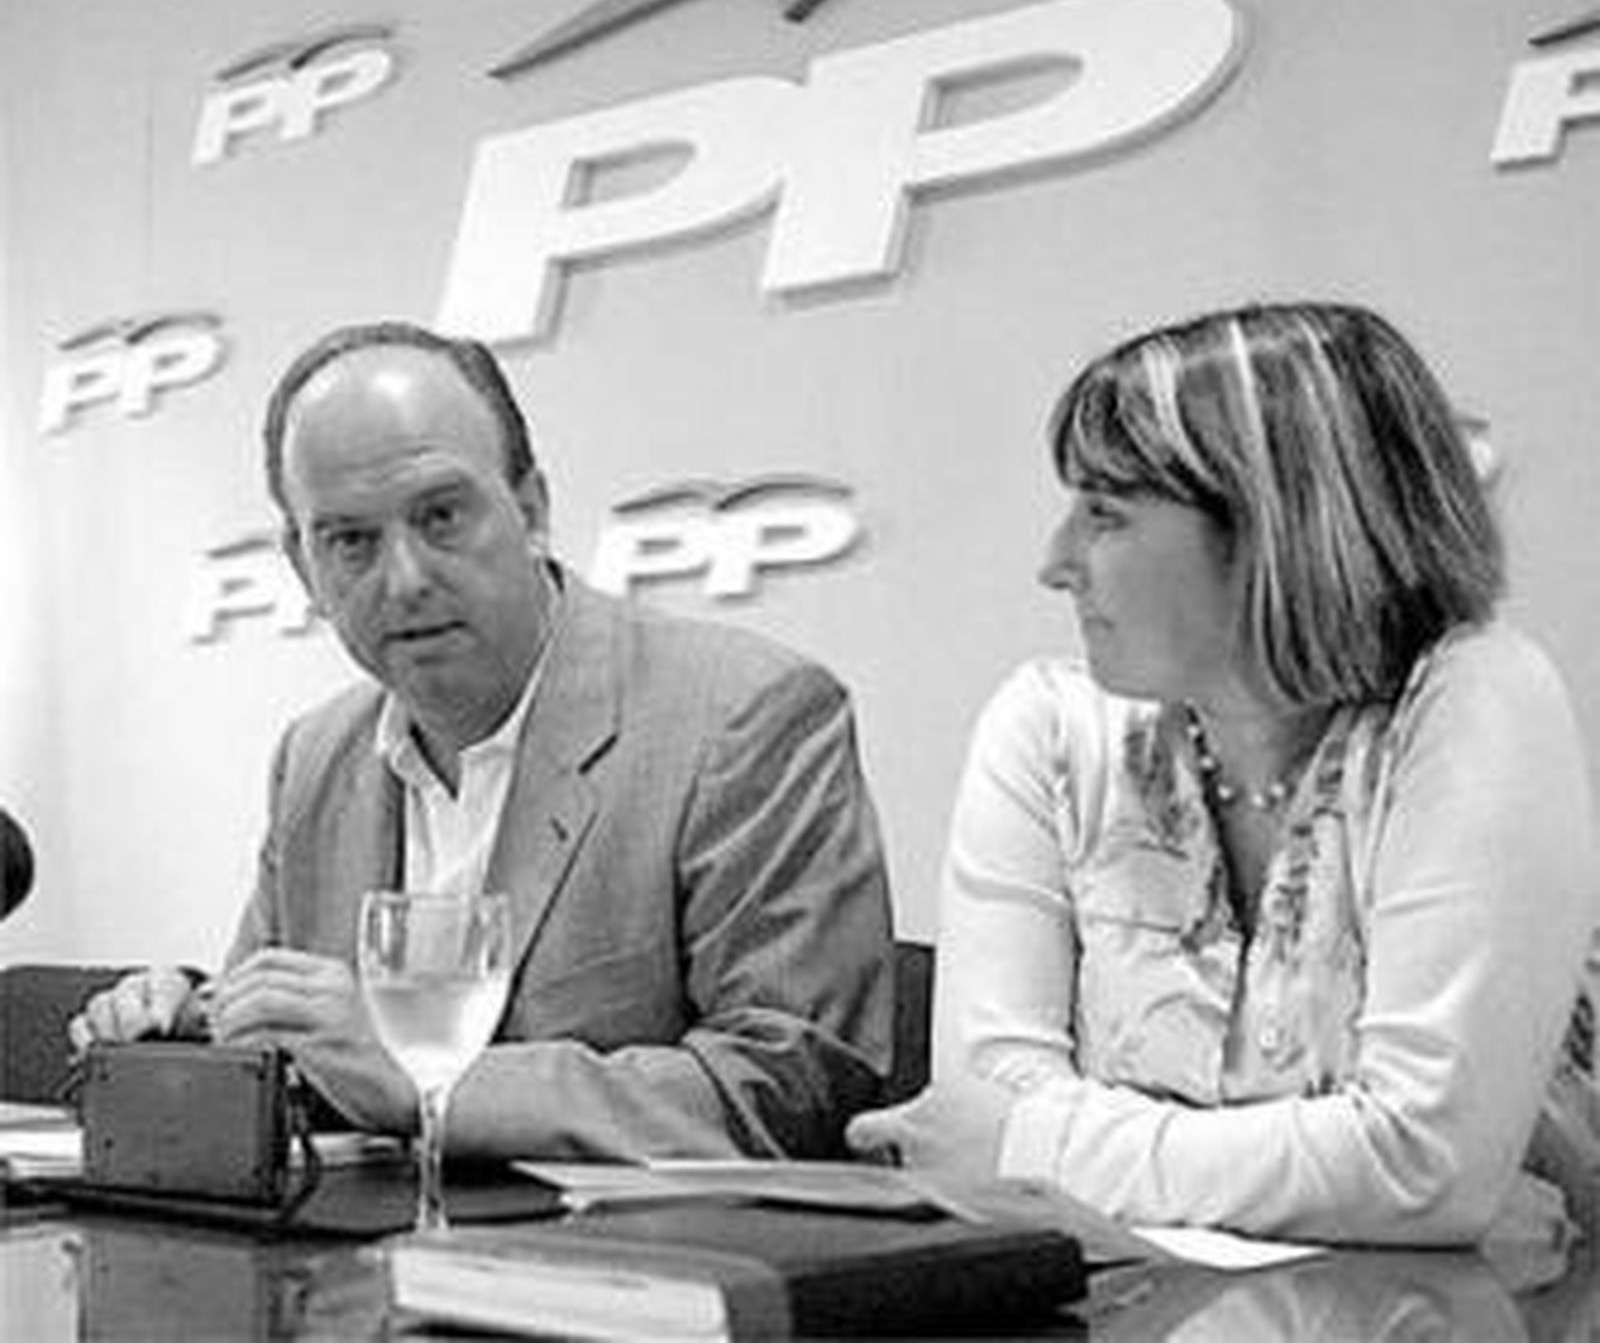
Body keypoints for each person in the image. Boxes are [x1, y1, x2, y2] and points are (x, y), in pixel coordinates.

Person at [849, 300, 1598, 1244]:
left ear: (1275, 527)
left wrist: (1032, 1142)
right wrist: (1348, 1178)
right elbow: (970, 1124)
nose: (1057, 563)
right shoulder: (1046, 727)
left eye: (1105, 515)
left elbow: (1421, 1164)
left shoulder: (1476, 696)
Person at [73, 320, 894, 1160]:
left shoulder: (744, 715)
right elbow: (296, 1067)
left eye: (441, 516)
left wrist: (425, 1081)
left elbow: (789, 1088)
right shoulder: (314, 758)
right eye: (350, 540)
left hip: (637, 1274)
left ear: (531, 509)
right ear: (301, 567)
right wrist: (192, 1022)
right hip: (353, 1273)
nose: (406, 578)